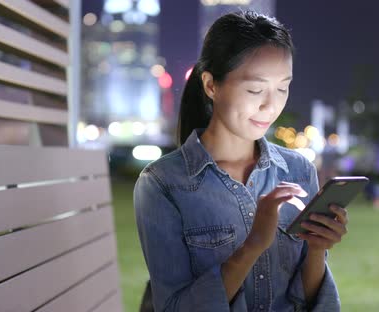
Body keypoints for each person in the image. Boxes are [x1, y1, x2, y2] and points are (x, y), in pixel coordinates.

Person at [133, 11, 346, 311]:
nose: (270, 106)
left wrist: (316, 249)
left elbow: (308, 301)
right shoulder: (163, 184)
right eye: (255, 89)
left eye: (282, 88)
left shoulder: (298, 171)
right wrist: (252, 246)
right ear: (211, 86)